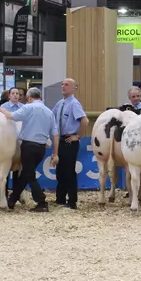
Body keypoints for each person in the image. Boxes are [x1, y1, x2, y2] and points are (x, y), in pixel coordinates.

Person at [0, 87, 59, 212]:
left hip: (28, 146)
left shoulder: (27, 107)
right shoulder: (49, 112)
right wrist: (55, 153)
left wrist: (0, 110)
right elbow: (55, 134)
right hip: (41, 148)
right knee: (25, 174)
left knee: (29, 175)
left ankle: (42, 202)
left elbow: (11, 116)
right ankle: (12, 200)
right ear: (40, 97)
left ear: (29, 98)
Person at [52, 78, 88, 209]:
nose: (63, 86)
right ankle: (60, 198)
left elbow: (85, 121)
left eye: (66, 85)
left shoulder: (74, 103)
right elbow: (52, 119)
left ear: (73, 88)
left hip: (69, 140)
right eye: (62, 84)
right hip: (60, 140)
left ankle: (72, 201)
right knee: (60, 171)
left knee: (68, 171)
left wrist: (77, 136)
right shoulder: (60, 103)